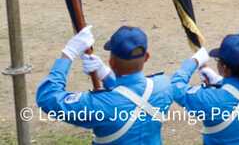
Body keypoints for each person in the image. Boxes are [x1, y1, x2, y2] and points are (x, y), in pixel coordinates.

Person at [36, 25, 173, 144]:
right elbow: (130, 96)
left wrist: (68, 54)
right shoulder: (164, 85)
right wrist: (106, 76)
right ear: (147, 57)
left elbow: (48, 97)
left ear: (111, 62)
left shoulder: (97, 105)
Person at [171, 35, 239, 144]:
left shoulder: (209, 98)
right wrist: (219, 82)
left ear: (224, 67)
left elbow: (175, 86)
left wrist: (195, 60)